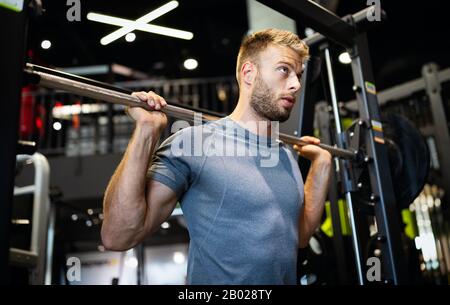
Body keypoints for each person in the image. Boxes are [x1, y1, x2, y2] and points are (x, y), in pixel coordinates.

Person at [101, 28, 332, 284]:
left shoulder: (286, 156)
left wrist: (321, 165)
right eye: (284, 70)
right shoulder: (194, 143)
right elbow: (118, 235)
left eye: (298, 75)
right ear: (248, 73)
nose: (296, 84)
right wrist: (146, 131)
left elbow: (298, 236)